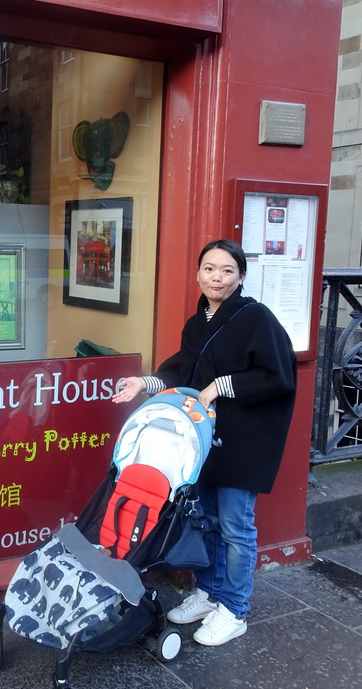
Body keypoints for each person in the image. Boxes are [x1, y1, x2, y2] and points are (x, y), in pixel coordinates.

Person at [112, 239, 297, 646]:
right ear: (198, 274)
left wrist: (221, 386)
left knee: (235, 526)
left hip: (243, 442)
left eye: (228, 270)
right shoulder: (198, 323)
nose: (218, 277)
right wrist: (145, 382)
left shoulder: (256, 318)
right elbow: (183, 371)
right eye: (210, 269)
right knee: (207, 521)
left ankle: (235, 609)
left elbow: (277, 375)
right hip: (204, 440)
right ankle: (210, 593)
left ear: (241, 277)